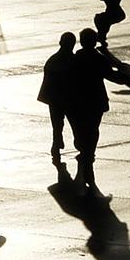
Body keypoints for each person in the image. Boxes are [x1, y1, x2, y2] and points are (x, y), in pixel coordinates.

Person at [67, 28, 130, 195]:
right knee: (92, 130)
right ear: (95, 41)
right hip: (95, 101)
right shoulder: (98, 59)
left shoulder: (74, 59)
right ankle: (88, 158)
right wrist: (127, 76)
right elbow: (113, 77)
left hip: (76, 102)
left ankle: (84, 154)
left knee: (80, 131)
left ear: (81, 41)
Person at [38, 32, 76, 173]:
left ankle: (56, 144)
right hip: (68, 98)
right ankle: (72, 144)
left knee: (57, 124)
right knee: (74, 123)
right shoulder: (73, 60)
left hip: (55, 98)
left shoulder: (53, 60)